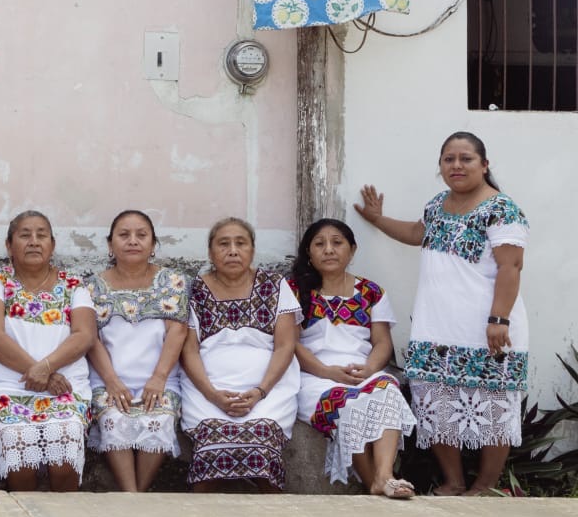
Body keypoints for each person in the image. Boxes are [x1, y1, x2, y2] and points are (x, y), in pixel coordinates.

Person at [354, 131, 528, 496]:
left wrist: (499, 319)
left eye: (466, 158)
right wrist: (377, 220)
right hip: (436, 327)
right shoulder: (437, 205)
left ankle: (483, 486)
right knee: (436, 405)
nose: (457, 165)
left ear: (484, 164)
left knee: (495, 408)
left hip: (487, 328)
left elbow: (511, 267)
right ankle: (453, 481)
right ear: (441, 167)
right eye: (449, 159)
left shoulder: (502, 209)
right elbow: (418, 232)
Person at [290, 218, 417, 498]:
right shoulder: (295, 290)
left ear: (352, 250)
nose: (329, 250)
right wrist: (327, 372)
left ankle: (385, 476)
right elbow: (290, 344)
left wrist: (369, 369)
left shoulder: (371, 292)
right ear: (308, 252)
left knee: (387, 390)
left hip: (362, 372)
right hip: (313, 378)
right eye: (319, 244)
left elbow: (382, 342)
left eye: (337, 243)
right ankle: (376, 482)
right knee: (346, 403)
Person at [0, 211, 96, 492]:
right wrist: (43, 373)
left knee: (66, 438)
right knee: (16, 441)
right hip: (8, 386)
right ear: (9, 245)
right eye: (25, 235)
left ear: (52, 245)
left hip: (66, 387)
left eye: (41, 235)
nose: (34, 241)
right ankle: (25, 515)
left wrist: (47, 368)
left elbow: (85, 335)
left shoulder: (73, 284)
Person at [179, 217, 301, 493]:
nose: (232, 250)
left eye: (240, 243)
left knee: (262, 438)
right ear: (210, 253)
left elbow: (285, 345)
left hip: (268, 390)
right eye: (223, 244)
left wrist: (260, 391)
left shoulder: (274, 284)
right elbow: (189, 349)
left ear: (252, 250)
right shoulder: (194, 290)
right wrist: (213, 395)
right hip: (207, 390)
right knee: (211, 441)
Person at [84, 210, 189, 493]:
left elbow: (177, 331)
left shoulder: (173, 282)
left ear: (153, 245)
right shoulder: (92, 286)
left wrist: (158, 378)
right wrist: (111, 381)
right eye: (124, 235)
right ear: (110, 245)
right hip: (109, 377)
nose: (133, 241)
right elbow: (90, 338)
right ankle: (132, 495)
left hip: (160, 377)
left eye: (141, 235)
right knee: (112, 417)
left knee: (160, 417)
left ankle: (136, 496)